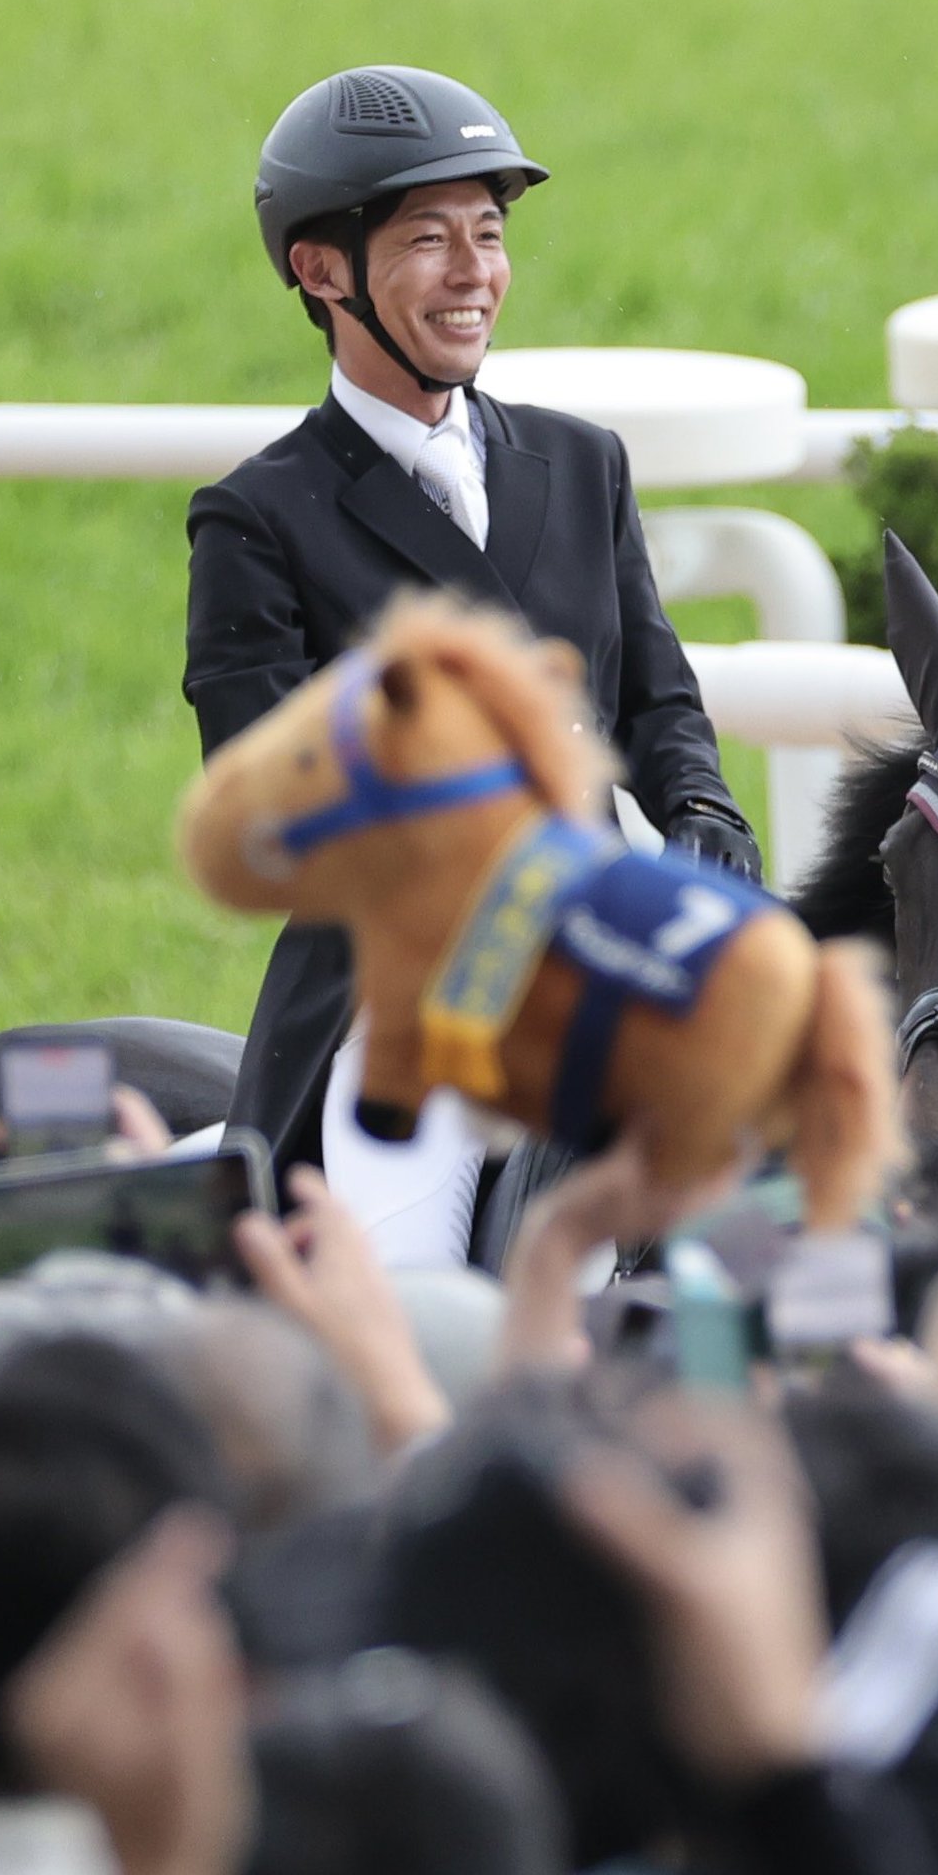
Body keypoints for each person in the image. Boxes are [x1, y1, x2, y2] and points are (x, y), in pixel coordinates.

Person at [183, 64, 760, 1231]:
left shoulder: (582, 461)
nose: (474, 273)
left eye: (488, 235)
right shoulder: (259, 517)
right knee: (409, 1250)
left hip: (612, 947)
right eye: (428, 239)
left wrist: (703, 810)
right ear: (322, 270)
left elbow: (657, 701)